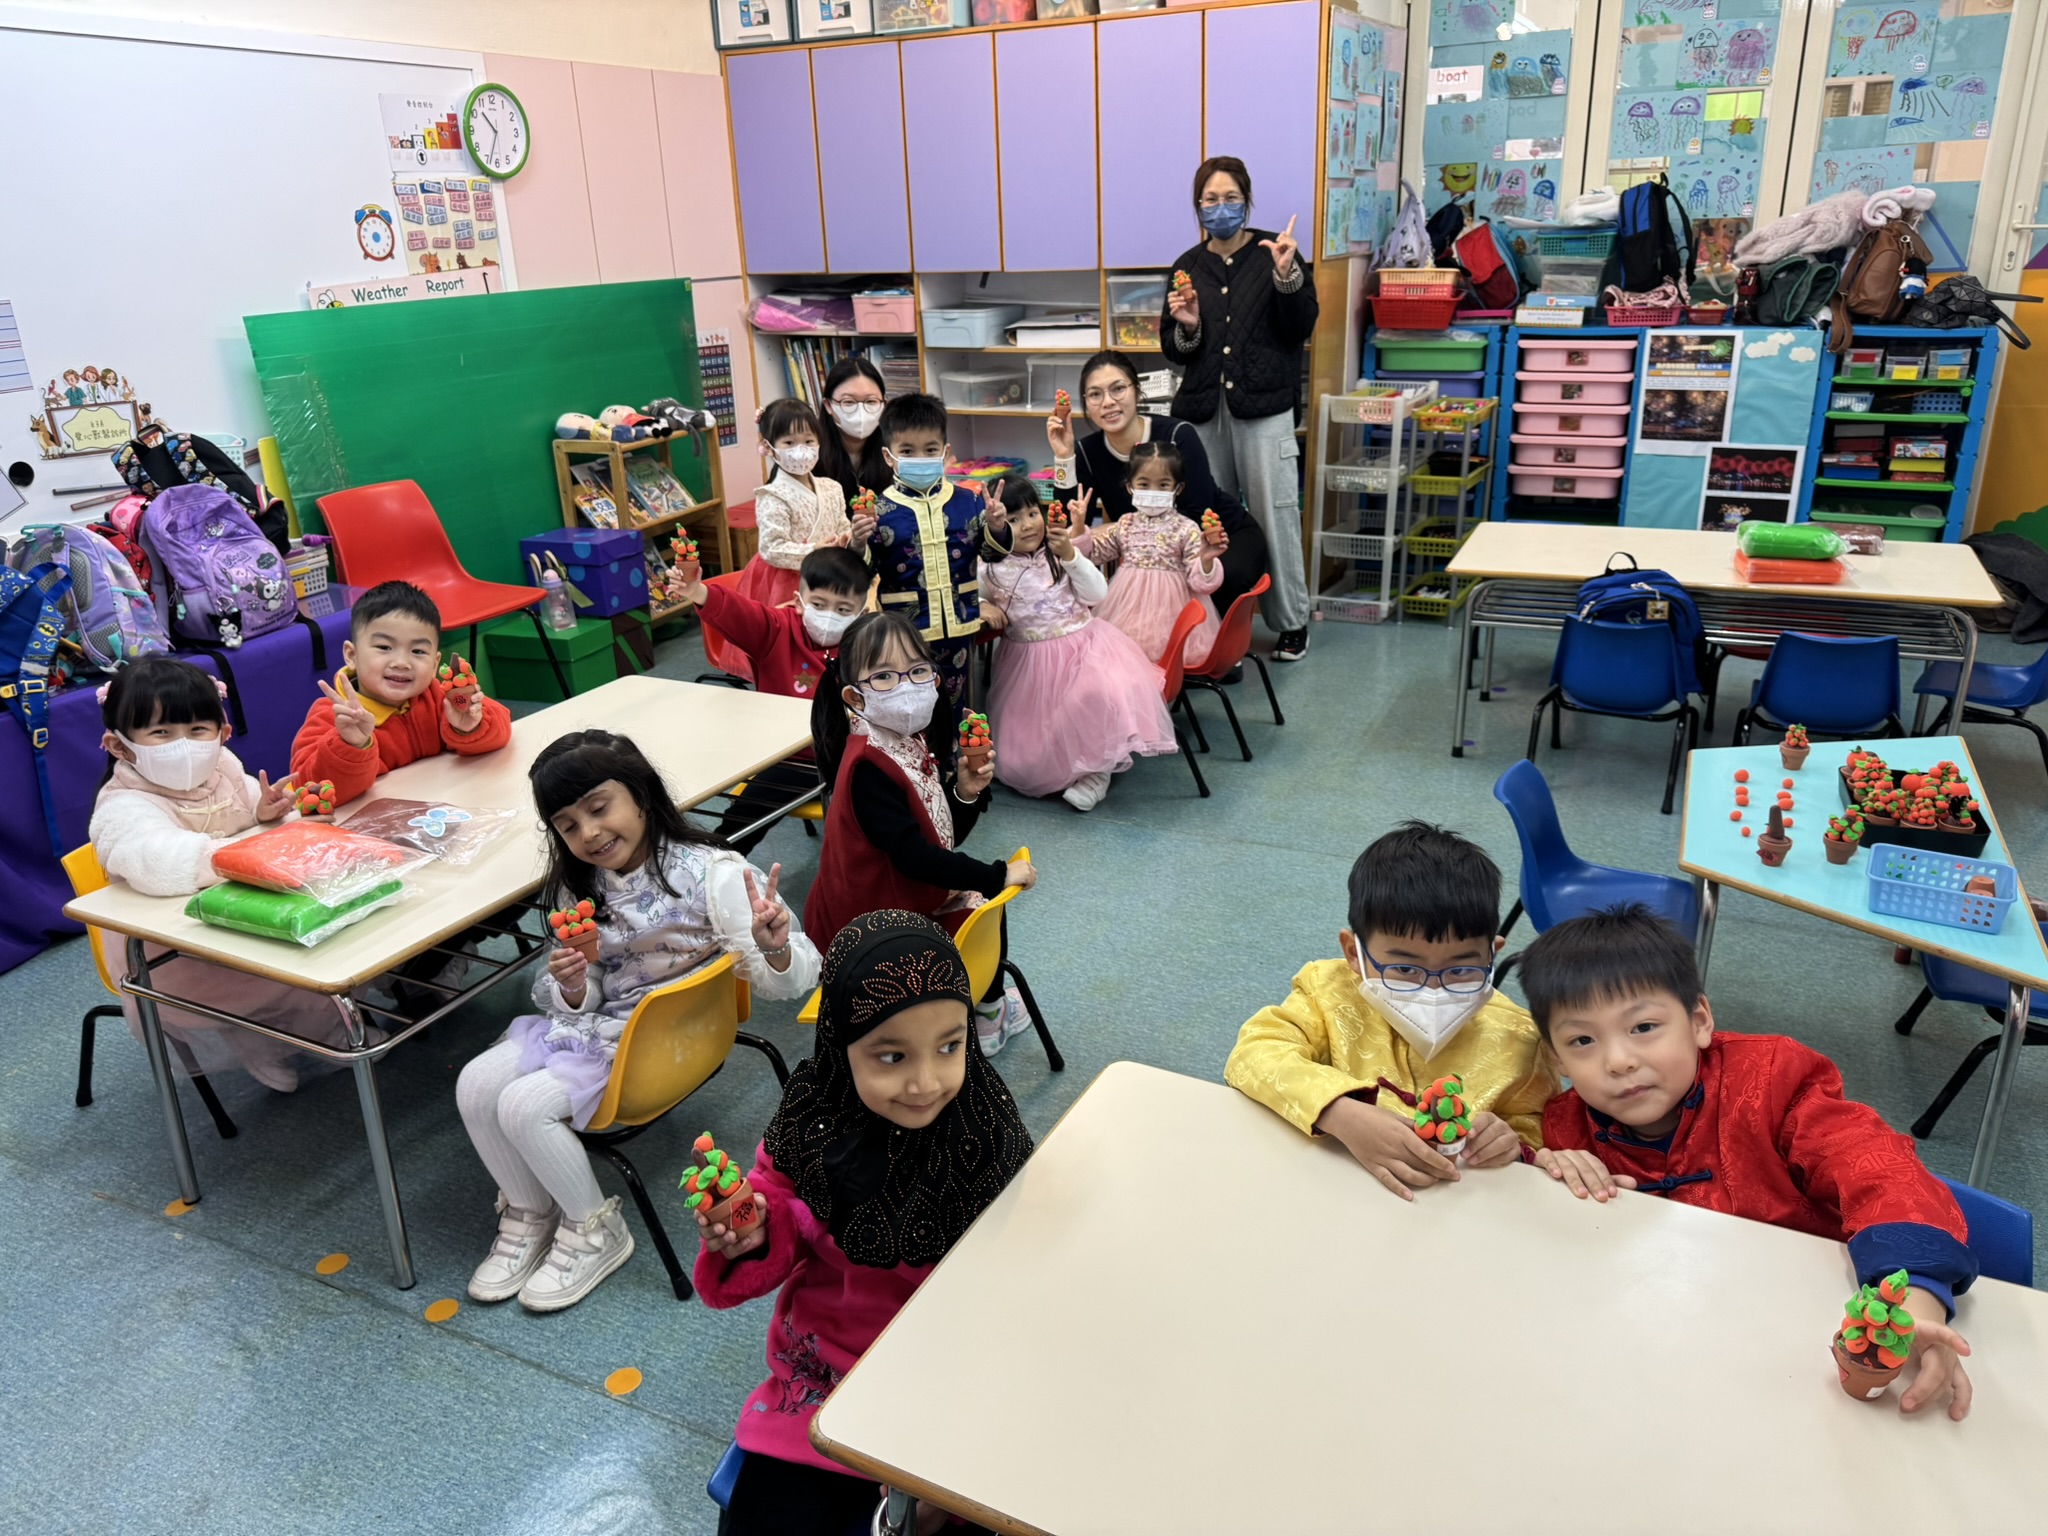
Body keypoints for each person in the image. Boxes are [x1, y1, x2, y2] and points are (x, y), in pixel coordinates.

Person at [1519, 904, 1977, 1420]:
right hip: (1667, 1356)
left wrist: (1913, 1301)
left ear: (1699, 1021)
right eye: (1582, 1040)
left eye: (1643, 1026)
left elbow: (1879, 1168)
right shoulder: (1566, 1127)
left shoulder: (1772, 1082)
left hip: (1801, 1344)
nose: (1619, 1060)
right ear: (1555, 1057)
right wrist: (1541, 1168)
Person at [455, 730, 819, 1312]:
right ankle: (530, 1213)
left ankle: (594, 1230)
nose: (589, 833)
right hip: (602, 1030)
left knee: (522, 1107)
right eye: (568, 826)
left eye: (599, 808)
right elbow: (587, 992)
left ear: (642, 796)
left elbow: (793, 979)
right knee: (475, 1084)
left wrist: (773, 945)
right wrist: (574, 983)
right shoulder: (583, 886)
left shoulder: (713, 874)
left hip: (670, 1042)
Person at [695, 911, 1029, 1536]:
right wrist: (756, 1231)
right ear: (839, 1045)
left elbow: (1022, 1294)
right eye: (891, 1055)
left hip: (955, 1385)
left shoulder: (987, 1131)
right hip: (827, 1379)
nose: (926, 1082)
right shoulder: (812, 1118)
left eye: (950, 1046)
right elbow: (778, 1202)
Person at [1223, 821, 1555, 1200]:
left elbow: (1538, 1129)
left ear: (1491, 954)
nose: (1433, 990)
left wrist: (1512, 1144)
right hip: (1327, 1190)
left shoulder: (1520, 1038)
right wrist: (1338, 1112)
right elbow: (1253, 1053)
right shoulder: (1327, 991)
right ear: (1354, 953)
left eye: (1461, 970)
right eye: (1405, 970)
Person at [88, 657, 363, 1092]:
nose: (184, 745)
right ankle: (260, 1040)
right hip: (175, 948)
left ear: (223, 732)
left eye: (198, 729)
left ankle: (311, 1032)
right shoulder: (121, 805)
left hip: (243, 910)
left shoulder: (223, 767)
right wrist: (245, 852)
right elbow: (155, 860)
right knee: (291, 970)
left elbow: (249, 811)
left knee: (337, 934)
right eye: (161, 733)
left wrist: (269, 815)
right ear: (119, 746)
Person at [803, 612, 1034, 1054]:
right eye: (884, 676)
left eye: (917, 670)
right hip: (870, 929)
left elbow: (937, 837)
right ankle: (989, 1011)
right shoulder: (868, 766)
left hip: (896, 901)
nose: (906, 686)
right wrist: (996, 874)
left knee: (980, 897)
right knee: (983, 897)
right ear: (854, 695)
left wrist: (964, 793)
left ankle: (986, 1006)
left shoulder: (905, 738)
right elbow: (915, 857)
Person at [1162, 154, 1319, 662]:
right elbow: (1173, 349)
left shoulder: (1277, 252)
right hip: (1204, 410)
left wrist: (1287, 275)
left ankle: (1291, 621)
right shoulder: (1186, 266)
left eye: (1231, 198)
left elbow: (1300, 326)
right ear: (1197, 205)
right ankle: (1221, 624)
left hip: (1265, 406)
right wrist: (1188, 326)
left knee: (1276, 515)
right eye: (1210, 199)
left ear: (1247, 201)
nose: (1221, 208)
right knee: (1210, 520)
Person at [977, 475, 1177, 812]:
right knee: (1020, 760)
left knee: (1094, 698)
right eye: (1013, 519)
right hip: (1028, 661)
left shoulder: (1058, 552)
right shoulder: (989, 568)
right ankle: (1062, 763)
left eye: (1032, 513)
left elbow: (1098, 593)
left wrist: (1071, 555)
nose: (1028, 525)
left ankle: (1097, 772)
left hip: (1084, 648)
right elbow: (972, 595)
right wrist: (983, 605)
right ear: (994, 526)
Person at [672, 544, 872, 852]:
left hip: (855, 758)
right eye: (819, 604)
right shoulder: (777, 630)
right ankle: (714, 862)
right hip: (794, 760)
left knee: (885, 812)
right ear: (799, 602)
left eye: (843, 610)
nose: (829, 617)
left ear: (862, 613)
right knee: (739, 824)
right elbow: (740, 613)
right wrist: (698, 592)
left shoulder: (868, 643)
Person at [1048, 348, 1269, 622]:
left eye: (1118, 389)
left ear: (1137, 390)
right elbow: (1068, 523)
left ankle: (1214, 644)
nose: (1108, 402)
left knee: (1210, 581)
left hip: (1219, 537)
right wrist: (1064, 457)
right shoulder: (1086, 450)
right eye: (1095, 394)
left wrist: (1116, 528)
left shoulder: (1177, 435)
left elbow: (1196, 513)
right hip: (1149, 547)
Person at [290, 580, 512, 805]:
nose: (401, 662)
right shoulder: (333, 716)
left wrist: (469, 726)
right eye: (384, 647)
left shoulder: (438, 697)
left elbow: (501, 733)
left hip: (442, 810)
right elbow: (309, 789)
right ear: (351, 655)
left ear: (435, 664)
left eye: (418, 651)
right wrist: (350, 745)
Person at [862, 392, 1001, 719]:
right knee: (908, 707)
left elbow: (991, 555)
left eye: (930, 450)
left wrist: (996, 527)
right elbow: (864, 572)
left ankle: (953, 753)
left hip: (959, 623)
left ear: (945, 452)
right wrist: (857, 542)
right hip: (905, 629)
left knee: (954, 705)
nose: (920, 458)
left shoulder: (969, 501)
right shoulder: (878, 510)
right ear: (888, 456)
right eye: (907, 451)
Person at [1078, 440, 1224, 666]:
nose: (1153, 491)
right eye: (1144, 484)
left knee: (1159, 659)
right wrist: (1078, 528)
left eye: (1163, 485)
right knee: (1123, 658)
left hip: (1172, 612)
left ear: (1178, 489)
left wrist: (1206, 560)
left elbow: (1201, 583)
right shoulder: (1125, 524)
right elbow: (1093, 554)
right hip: (1127, 608)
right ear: (1130, 487)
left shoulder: (1186, 528)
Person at [735, 397, 852, 618]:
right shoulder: (772, 495)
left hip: (831, 574)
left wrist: (849, 539)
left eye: (808, 441)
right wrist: (814, 550)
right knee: (791, 631)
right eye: (789, 443)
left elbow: (842, 526)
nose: (801, 450)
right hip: (788, 582)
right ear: (768, 447)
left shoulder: (832, 488)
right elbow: (771, 548)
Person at [814, 354, 892, 502]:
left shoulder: (895, 450)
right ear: (828, 405)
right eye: (849, 402)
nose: (861, 412)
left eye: (871, 401)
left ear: (884, 404)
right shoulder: (810, 451)